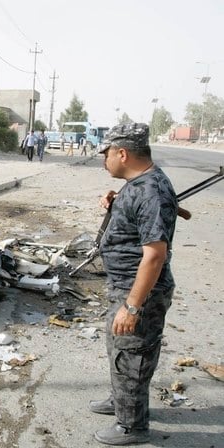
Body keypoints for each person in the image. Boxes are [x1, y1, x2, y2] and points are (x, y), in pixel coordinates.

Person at [90, 122, 177, 446]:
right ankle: (120, 401)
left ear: (122, 153)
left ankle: (132, 426)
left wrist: (132, 306)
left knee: (133, 357)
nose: (104, 161)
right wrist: (118, 202)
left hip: (139, 291)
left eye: (107, 154)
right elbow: (141, 218)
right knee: (120, 351)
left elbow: (154, 256)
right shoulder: (138, 183)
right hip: (123, 285)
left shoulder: (151, 189)